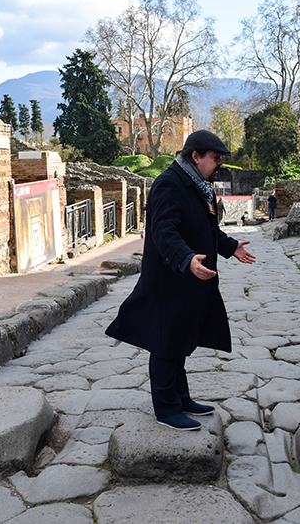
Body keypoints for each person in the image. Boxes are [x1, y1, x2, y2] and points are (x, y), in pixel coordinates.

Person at [105, 129, 255, 431]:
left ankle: (181, 397)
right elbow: (164, 231)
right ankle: (166, 408)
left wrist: (229, 247)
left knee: (180, 343)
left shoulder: (199, 185)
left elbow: (205, 228)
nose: (219, 165)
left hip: (189, 282)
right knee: (165, 344)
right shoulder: (169, 184)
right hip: (168, 282)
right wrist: (186, 259)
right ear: (195, 156)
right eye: (215, 159)